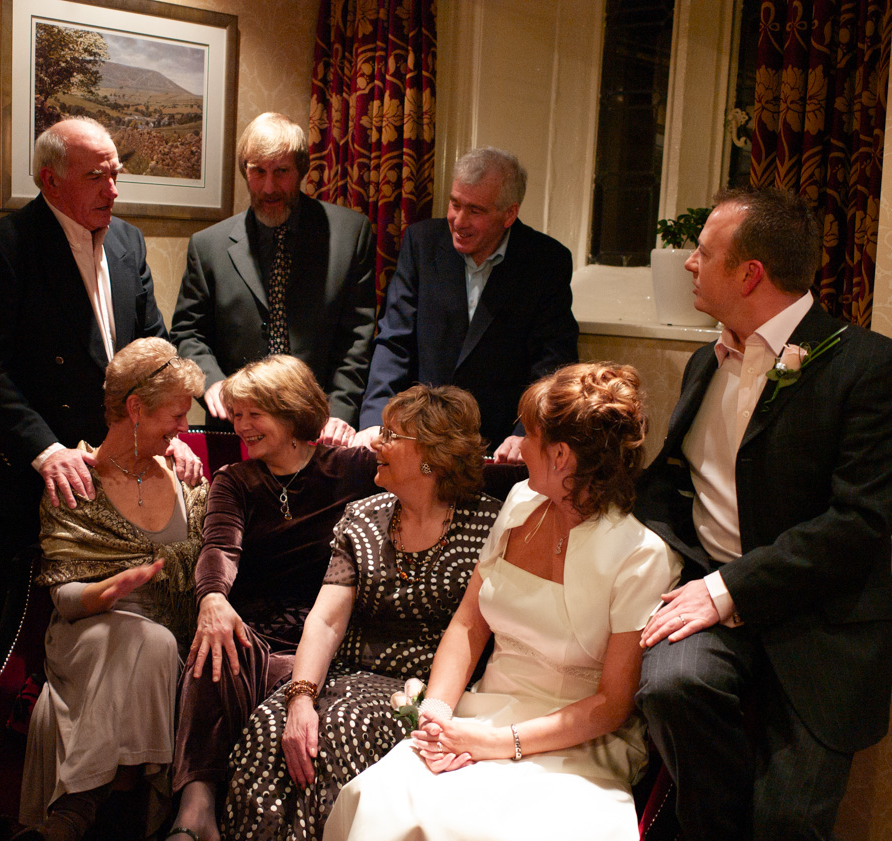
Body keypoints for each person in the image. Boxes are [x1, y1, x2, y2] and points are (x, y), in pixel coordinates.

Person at [634, 186, 892, 840]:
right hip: (708, 598)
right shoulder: (702, 365)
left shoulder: (874, 369)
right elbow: (667, 488)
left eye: (702, 253)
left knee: (787, 821)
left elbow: (857, 525)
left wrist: (726, 588)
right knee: (669, 687)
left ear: (750, 273)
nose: (688, 263)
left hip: (821, 620)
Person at [326, 363, 680, 841]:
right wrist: (438, 713)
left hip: (575, 740)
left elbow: (613, 704)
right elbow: (468, 625)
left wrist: (497, 743)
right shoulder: (518, 503)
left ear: (559, 456)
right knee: (380, 801)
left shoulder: (642, 556)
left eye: (528, 435)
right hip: (483, 708)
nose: (517, 446)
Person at [0, 116, 196, 675]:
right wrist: (46, 449)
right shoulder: (3, 247)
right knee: (5, 642)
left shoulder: (130, 241)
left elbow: (154, 349)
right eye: (96, 176)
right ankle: (5, 761)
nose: (113, 190)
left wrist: (169, 432)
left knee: (126, 624)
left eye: (116, 175)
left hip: (110, 470)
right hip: (21, 472)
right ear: (49, 179)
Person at [223, 385, 502, 840]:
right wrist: (301, 698)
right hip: (347, 672)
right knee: (271, 728)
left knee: (340, 730)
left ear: (432, 454)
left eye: (391, 435)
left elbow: (475, 630)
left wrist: (432, 706)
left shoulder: (488, 524)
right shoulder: (362, 516)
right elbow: (326, 619)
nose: (374, 442)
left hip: (425, 690)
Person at [166, 355, 381, 841]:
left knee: (266, 673)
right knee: (213, 645)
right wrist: (212, 599)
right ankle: (195, 808)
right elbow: (220, 545)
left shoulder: (351, 468)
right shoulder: (235, 480)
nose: (240, 426)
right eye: (237, 414)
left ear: (290, 412)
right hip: (255, 630)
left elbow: (437, 470)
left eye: (253, 414)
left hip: (323, 634)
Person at [16, 338, 207, 841]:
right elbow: (64, 597)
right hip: (86, 631)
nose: (186, 429)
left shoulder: (188, 477)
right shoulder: (74, 480)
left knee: (155, 641)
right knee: (141, 641)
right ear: (135, 408)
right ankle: (121, 815)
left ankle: (73, 814)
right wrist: (106, 592)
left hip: (170, 629)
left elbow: (213, 563)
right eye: (176, 415)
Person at [356, 146, 578, 462]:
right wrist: (376, 419)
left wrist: (528, 434)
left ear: (509, 214)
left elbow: (553, 361)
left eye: (475, 210)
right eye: (455, 204)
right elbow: (394, 342)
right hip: (418, 438)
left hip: (500, 446)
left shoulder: (546, 261)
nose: (459, 221)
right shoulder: (422, 243)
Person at [170, 112, 377, 445]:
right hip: (236, 428)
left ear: (301, 171)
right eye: (257, 172)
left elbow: (357, 338)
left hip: (319, 428)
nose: (269, 187)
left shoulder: (349, 235)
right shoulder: (208, 245)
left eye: (281, 172)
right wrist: (211, 381)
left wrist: (337, 413)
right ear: (244, 171)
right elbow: (188, 332)